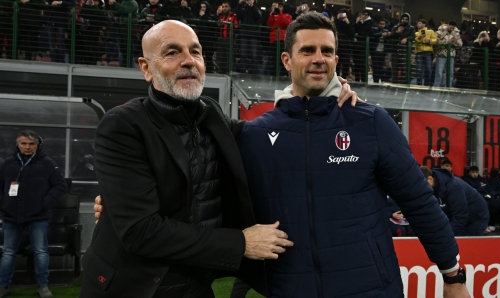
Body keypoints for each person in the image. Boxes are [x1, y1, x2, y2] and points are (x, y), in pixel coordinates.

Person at [82, 19, 359, 297]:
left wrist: (326, 90)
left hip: (196, 284)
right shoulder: (122, 125)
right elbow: (141, 231)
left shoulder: (210, 114)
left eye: (196, 51)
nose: (188, 61)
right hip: (132, 287)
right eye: (172, 52)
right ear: (146, 68)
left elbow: (271, 135)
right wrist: (240, 243)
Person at [236, 12, 469, 297]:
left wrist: (453, 275)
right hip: (291, 288)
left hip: (370, 288)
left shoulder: (370, 122)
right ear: (287, 60)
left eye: (327, 51)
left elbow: (419, 202)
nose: (318, 58)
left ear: (336, 61)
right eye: (307, 50)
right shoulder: (257, 134)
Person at [0, 130, 67, 298]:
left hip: (38, 216)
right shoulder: (8, 164)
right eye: (24, 143)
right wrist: (3, 204)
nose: (27, 147)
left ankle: (43, 286)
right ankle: (3, 285)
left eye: (31, 144)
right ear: (18, 145)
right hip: (11, 215)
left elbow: (60, 186)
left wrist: (44, 204)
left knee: (41, 252)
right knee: (8, 252)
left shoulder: (48, 164)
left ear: (37, 146)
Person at [420, 166, 489, 236]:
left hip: (476, 218)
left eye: (422, 185)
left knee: (464, 244)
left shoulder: (453, 187)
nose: (421, 188)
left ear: (430, 179)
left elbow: (460, 217)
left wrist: (444, 235)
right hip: (456, 215)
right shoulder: (434, 186)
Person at [434, 20, 463, 87]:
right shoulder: (440, 31)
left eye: (453, 27)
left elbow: (460, 44)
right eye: (451, 26)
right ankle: (436, 87)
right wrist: (447, 42)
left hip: (451, 55)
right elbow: (436, 42)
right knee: (439, 73)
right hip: (441, 54)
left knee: (450, 73)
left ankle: (448, 88)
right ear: (448, 25)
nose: (452, 28)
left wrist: (454, 42)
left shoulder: (456, 33)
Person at [389, 13, 415, 84]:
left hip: (404, 51)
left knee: (404, 70)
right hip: (395, 51)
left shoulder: (411, 28)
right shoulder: (395, 27)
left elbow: (413, 37)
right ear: (401, 19)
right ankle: (394, 85)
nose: (404, 21)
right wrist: (397, 31)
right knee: (394, 70)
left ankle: (404, 87)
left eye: (406, 19)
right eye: (403, 19)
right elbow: (391, 37)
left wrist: (406, 39)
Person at [414, 18, 437, 86]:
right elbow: (414, 42)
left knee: (428, 69)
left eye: (420, 23)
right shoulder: (416, 33)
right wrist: (420, 37)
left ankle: (427, 84)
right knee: (419, 69)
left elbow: (435, 40)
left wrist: (429, 41)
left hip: (428, 52)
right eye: (418, 23)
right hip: (419, 52)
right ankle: (419, 83)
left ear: (424, 24)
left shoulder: (430, 31)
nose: (418, 24)